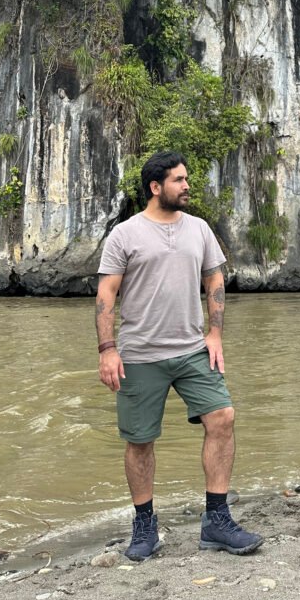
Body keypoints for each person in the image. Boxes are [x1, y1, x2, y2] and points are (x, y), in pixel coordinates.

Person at [95, 150, 263, 561]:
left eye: (186, 178)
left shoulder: (199, 229)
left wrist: (215, 333)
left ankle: (217, 520)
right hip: (139, 354)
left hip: (192, 350)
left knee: (222, 417)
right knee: (140, 441)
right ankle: (145, 526)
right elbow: (106, 294)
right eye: (179, 180)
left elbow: (214, 278)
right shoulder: (125, 235)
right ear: (156, 187)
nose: (187, 186)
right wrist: (107, 350)